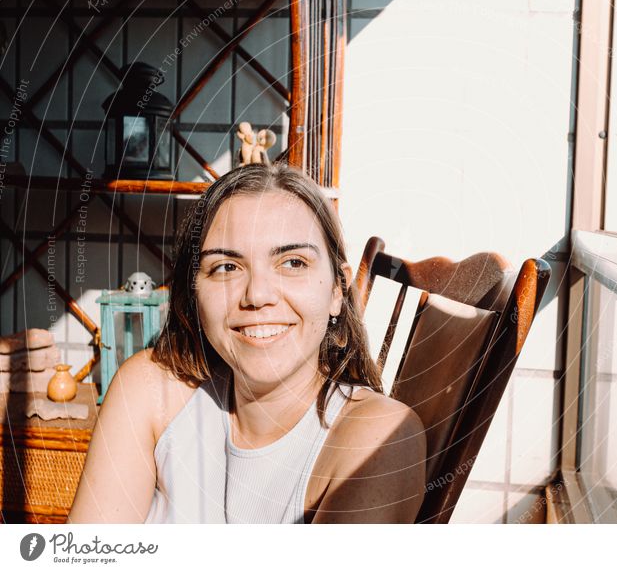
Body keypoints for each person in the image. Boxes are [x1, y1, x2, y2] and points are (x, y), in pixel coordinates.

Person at [68, 163, 427, 523]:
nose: (257, 295)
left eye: (293, 262)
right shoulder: (149, 390)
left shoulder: (380, 439)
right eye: (226, 267)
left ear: (338, 290)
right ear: (194, 292)